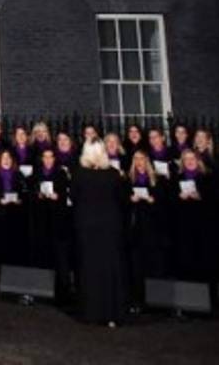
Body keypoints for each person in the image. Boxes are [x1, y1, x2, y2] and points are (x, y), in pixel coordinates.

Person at [70, 140, 129, 327]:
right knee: (111, 269)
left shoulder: (79, 175)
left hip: (87, 226)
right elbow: (123, 199)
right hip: (110, 226)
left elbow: (74, 197)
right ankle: (112, 313)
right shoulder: (113, 175)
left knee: (89, 268)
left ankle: (91, 312)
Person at [126, 150, 169, 310]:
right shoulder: (129, 180)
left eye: (141, 159)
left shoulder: (157, 180)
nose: (139, 161)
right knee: (137, 266)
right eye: (135, 158)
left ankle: (155, 302)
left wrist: (153, 200)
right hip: (136, 229)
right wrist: (131, 200)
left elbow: (164, 205)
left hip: (153, 229)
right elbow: (123, 202)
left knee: (154, 265)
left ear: (147, 161)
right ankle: (138, 300)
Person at [29, 147, 73, 298]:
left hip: (57, 218)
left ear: (54, 159)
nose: (47, 160)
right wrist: (38, 194)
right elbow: (32, 192)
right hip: (42, 218)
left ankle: (62, 287)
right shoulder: (37, 173)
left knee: (58, 251)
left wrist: (57, 196)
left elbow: (67, 194)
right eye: (45, 157)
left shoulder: (61, 173)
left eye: (50, 157)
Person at [171, 149, 217, 287]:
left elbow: (216, 202)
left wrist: (200, 197)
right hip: (184, 227)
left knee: (204, 260)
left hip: (203, 227)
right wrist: (179, 197)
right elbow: (170, 202)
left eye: (192, 158)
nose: (190, 161)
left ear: (198, 160)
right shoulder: (177, 178)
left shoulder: (208, 177)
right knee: (187, 258)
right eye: (186, 159)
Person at [0, 149, 29, 275]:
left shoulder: (18, 174)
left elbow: (25, 192)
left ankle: (13, 272)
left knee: (14, 244)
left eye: (9, 157)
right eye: (4, 157)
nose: (6, 160)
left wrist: (20, 200)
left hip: (15, 214)